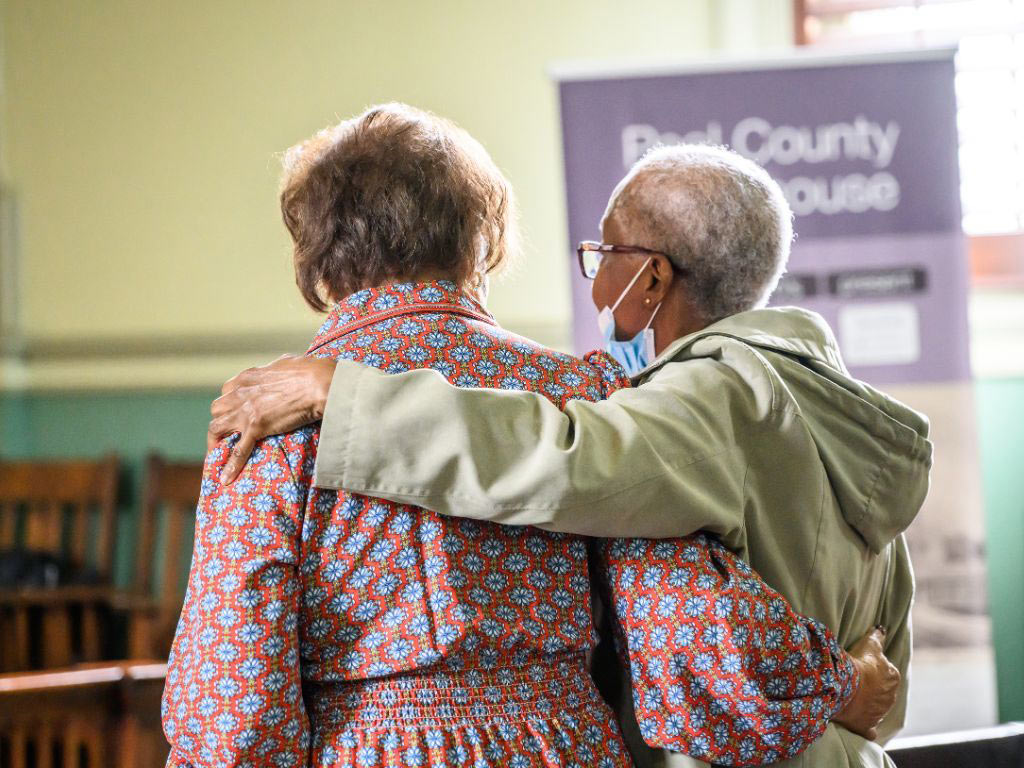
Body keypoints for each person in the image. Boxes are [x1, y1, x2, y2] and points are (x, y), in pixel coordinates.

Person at [208, 141, 927, 767]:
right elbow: (885, 666)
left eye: (602, 256)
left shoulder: (275, 414)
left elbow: (561, 463)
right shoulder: (840, 415)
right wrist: (847, 687)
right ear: (475, 238)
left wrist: (344, 392)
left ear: (652, 278)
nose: (596, 279)